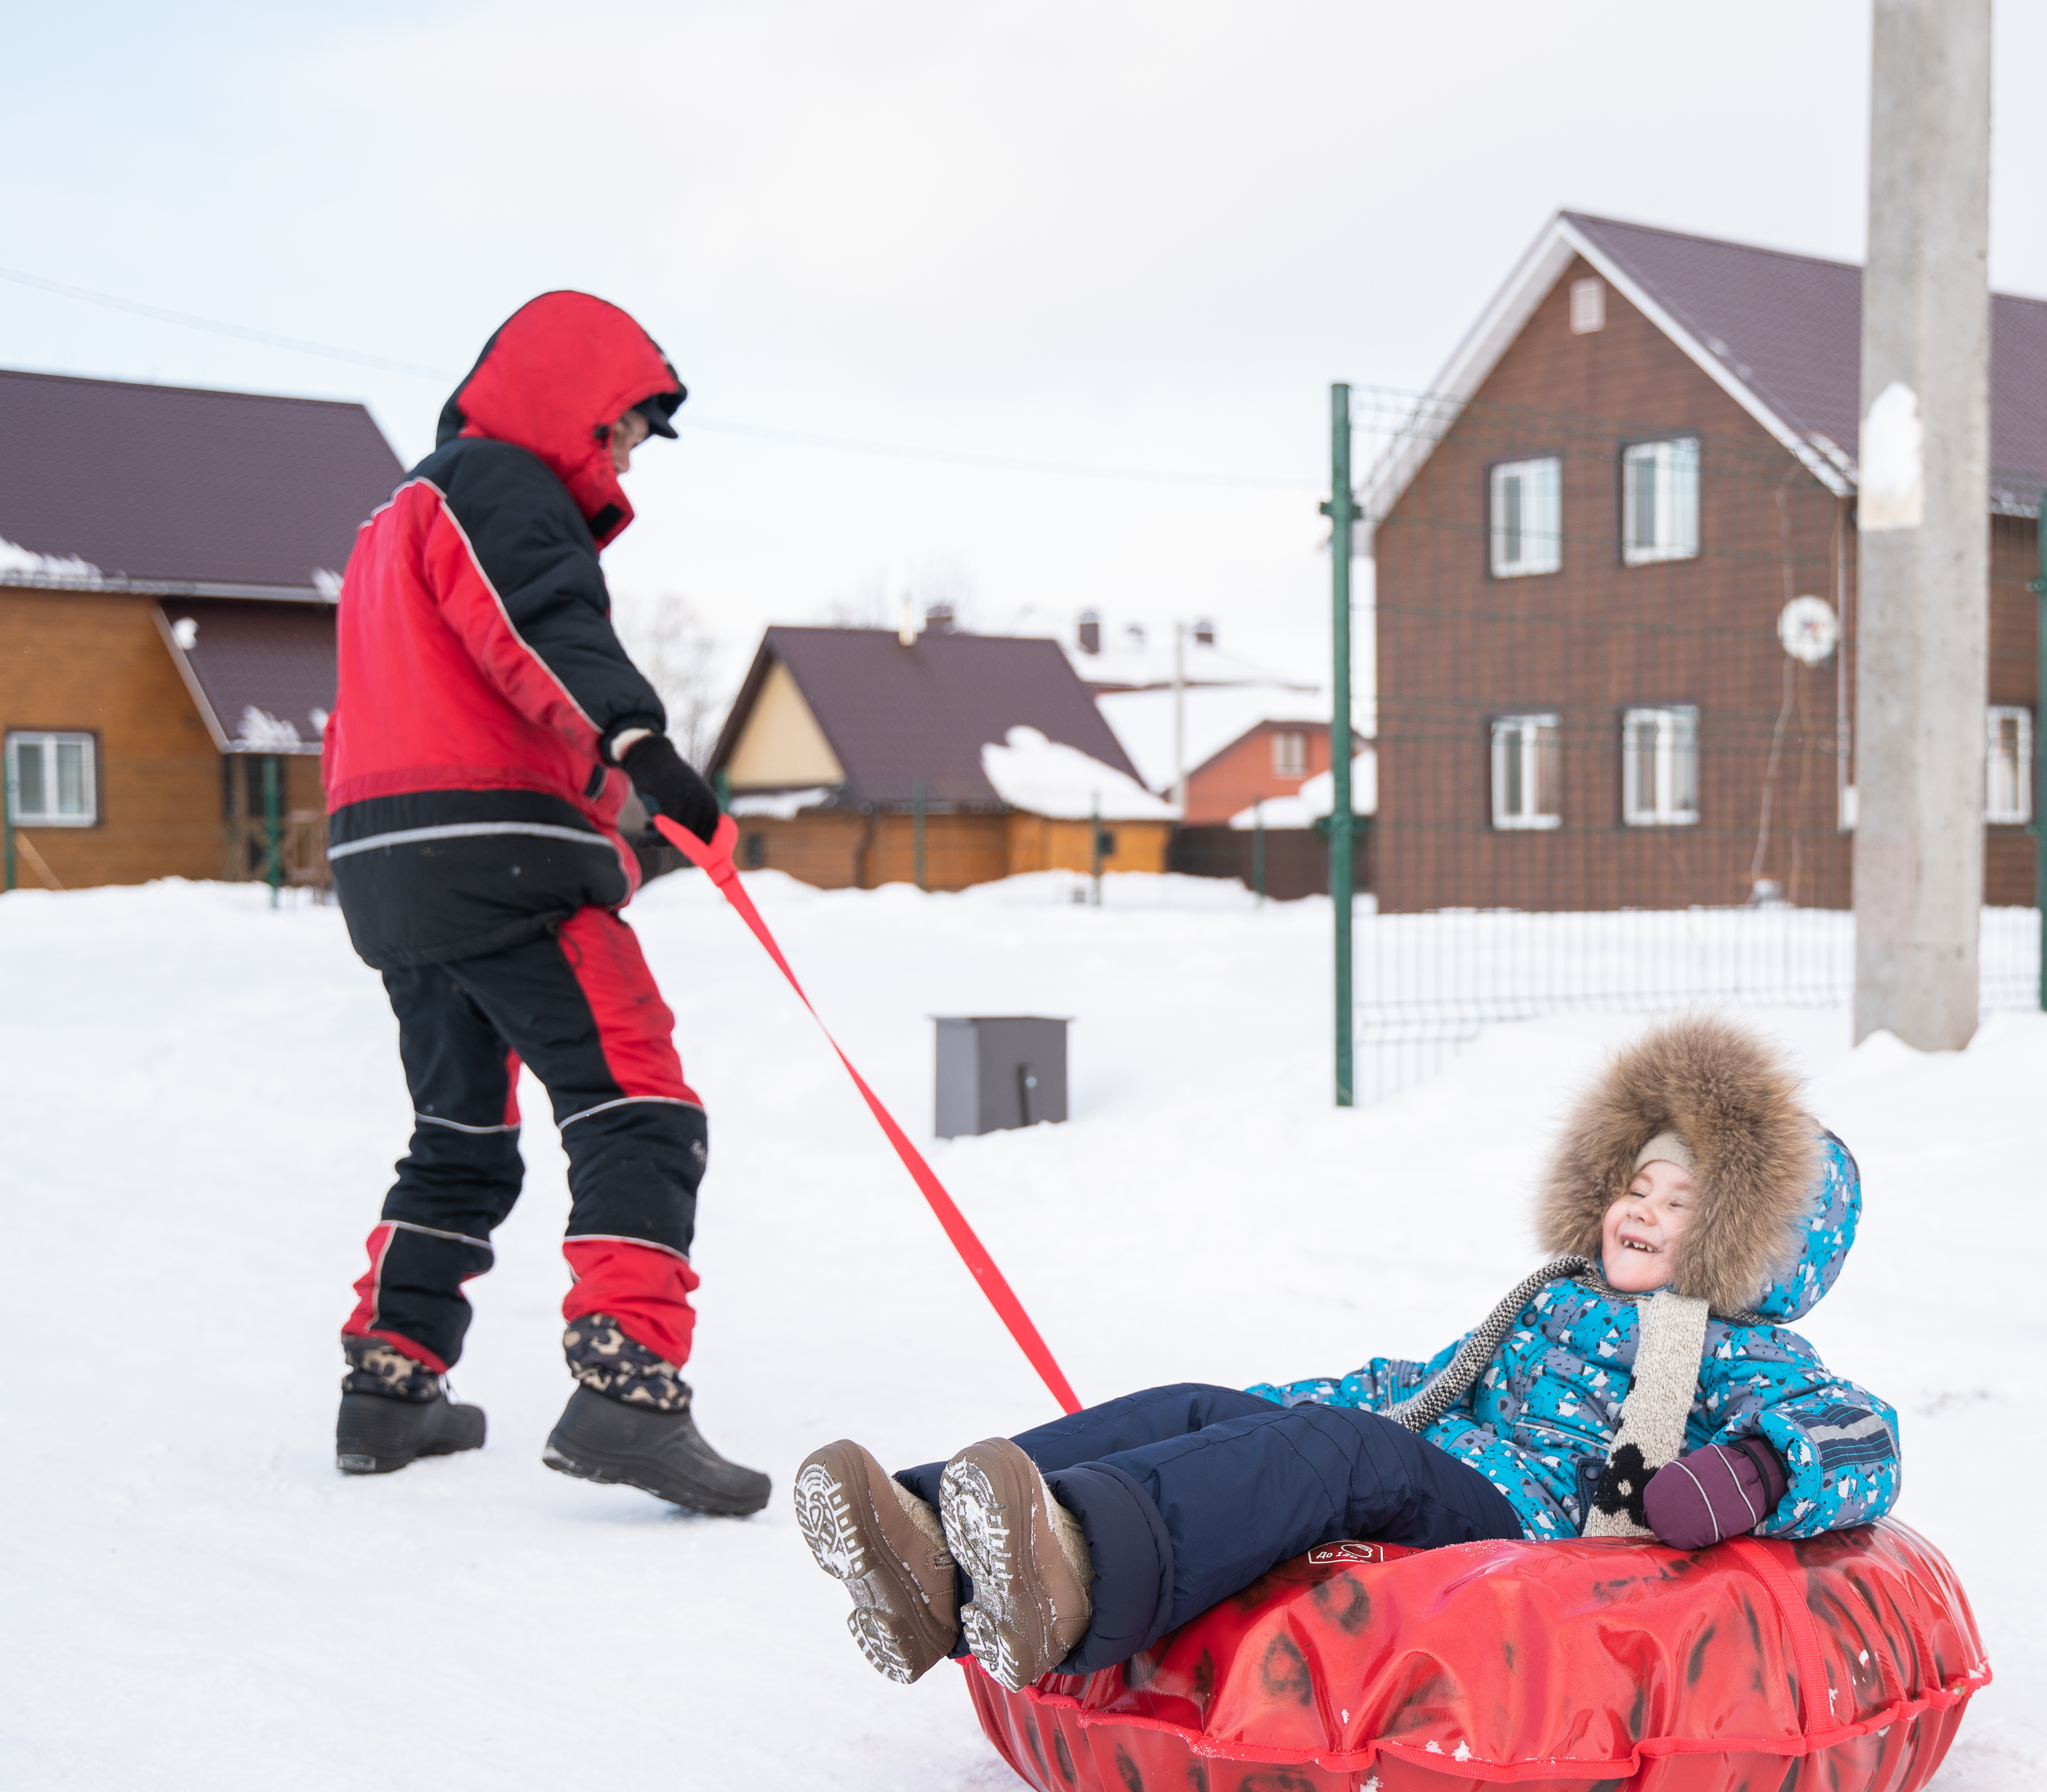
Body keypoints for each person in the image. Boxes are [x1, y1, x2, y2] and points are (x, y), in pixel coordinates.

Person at [794, 1015, 1897, 1690]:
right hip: (1450, 1466)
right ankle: (930, 1540)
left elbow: (1861, 1436)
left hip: (1532, 1526)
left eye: (1684, 1200)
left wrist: (1745, 1476)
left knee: (1342, 1455)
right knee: (1200, 1405)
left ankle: (1074, 1573)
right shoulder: (1552, 1299)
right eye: (1635, 1184)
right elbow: (1422, 1391)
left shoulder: (1733, 1350)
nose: (1642, 1210)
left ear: (1749, 1244)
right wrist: (1247, 1411)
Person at [323, 290, 769, 1516]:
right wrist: (639, 741)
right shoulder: (494, 484)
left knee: (459, 1134)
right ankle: (628, 1389)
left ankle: (391, 1382)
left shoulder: (390, 518)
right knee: (640, 1104)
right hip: (499, 855)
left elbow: (446, 676)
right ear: (569, 399)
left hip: (388, 862)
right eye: (623, 428)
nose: (626, 458)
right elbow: (540, 619)